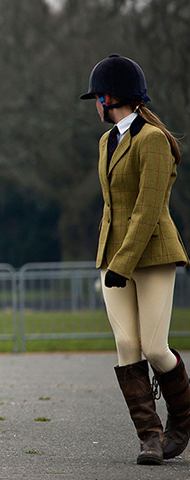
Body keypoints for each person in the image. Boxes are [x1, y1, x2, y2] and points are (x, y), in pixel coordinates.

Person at [81, 54, 189, 465]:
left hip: (153, 253)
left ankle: (184, 418)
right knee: (126, 344)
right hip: (114, 255)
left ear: (110, 98)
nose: (95, 105)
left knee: (155, 347)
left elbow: (148, 210)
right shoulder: (107, 142)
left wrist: (122, 263)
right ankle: (150, 437)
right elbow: (112, 207)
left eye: (97, 97)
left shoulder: (153, 141)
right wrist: (110, 259)